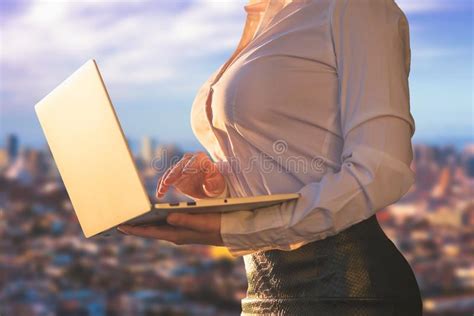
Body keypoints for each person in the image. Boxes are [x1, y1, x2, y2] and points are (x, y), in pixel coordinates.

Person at [117, 0, 423, 314]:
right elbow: (286, 167)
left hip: (349, 291)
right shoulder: (267, 18)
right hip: (263, 290)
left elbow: (381, 169)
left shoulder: (358, 8)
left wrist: (242, 228)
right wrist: (219, 188)